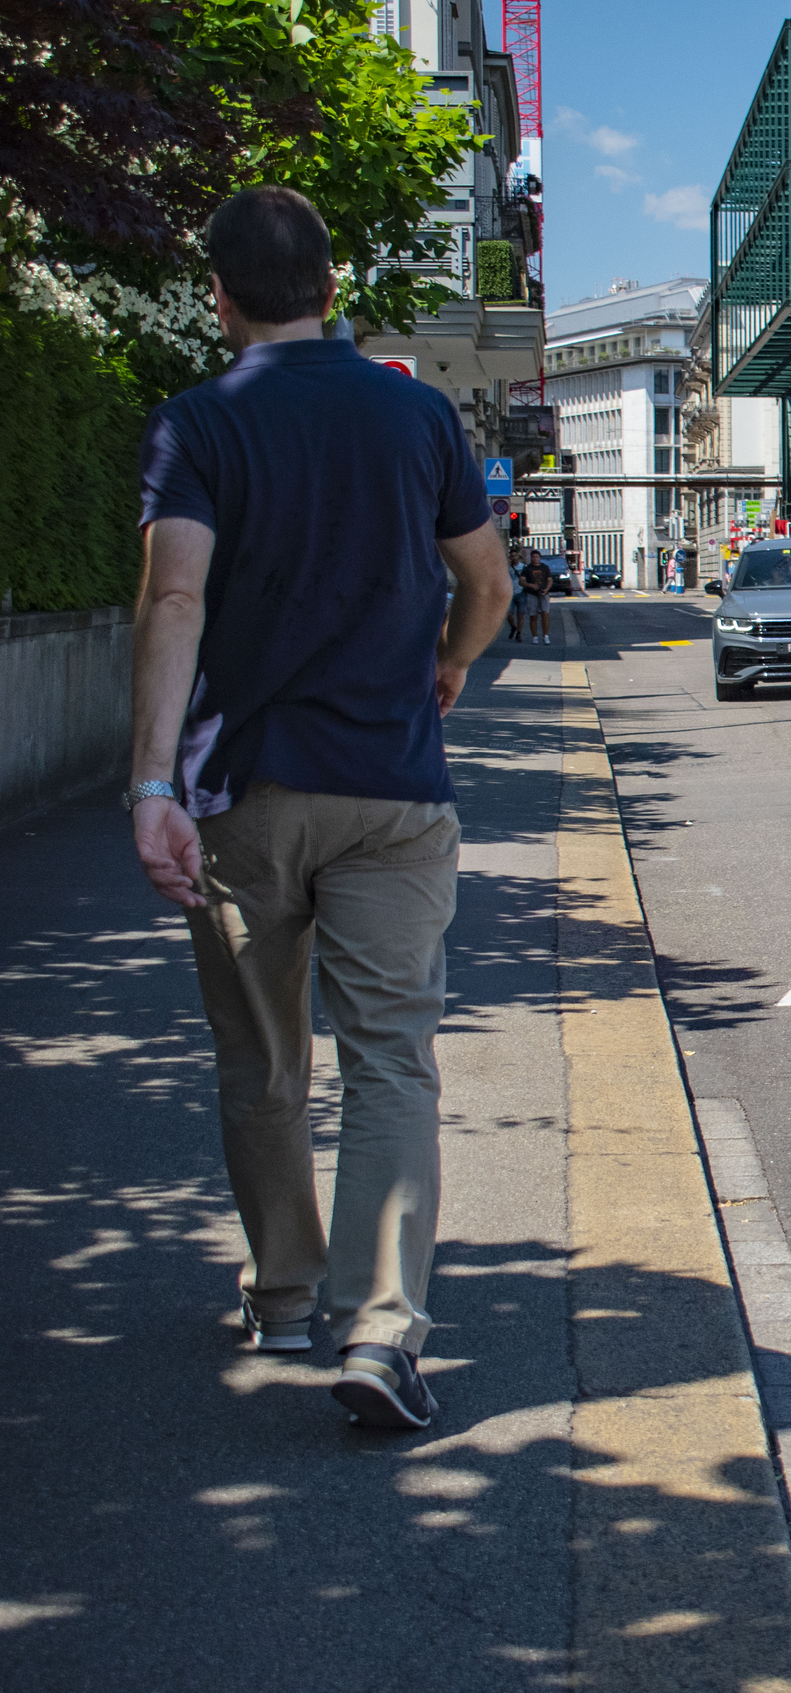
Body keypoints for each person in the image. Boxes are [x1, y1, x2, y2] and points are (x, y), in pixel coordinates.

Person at [128, 185, 511, 1431]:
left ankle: (286, 1296)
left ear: (219, 298)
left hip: (243, 791)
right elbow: (487, 576)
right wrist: (450, 661)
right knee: (391, 1054)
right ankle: (385, 1327)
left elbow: (172, 601)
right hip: (391, 790)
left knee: (263, 1059)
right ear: (335, 288)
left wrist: (149, 787)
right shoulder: (415, 412)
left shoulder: (198, 422)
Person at [519, 552, 555, 644]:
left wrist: (546, 589)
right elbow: (521, 581)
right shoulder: (527, 568)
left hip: (544, 594)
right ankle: (535, 636)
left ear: (540, 558)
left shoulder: (545, 567)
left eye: (536, 557)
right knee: (533, 616)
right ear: (531, 558)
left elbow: (550, 580)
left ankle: (546, 636)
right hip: (532, 594)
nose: (535, 558)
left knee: (545, 614)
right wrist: (530, 585)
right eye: (533, 557)